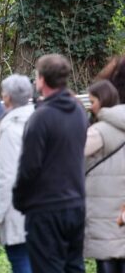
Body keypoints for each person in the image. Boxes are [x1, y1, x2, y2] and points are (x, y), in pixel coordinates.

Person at [13, 54, 86, 272]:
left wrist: (19, 199)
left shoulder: (41, 118)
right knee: (74, 267)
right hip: (75, 203)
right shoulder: (79, 112)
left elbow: (29, 167)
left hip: (46, 209)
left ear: (42, 80)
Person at [0, 74, 34, 273]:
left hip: (17, 209)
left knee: (21, 260)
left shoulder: (11, 129)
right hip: (40, 208)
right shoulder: (37, 119)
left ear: (6, 98)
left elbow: (6, 176)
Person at [83, 79, 125, 271]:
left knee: (107, 264)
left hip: (104, 213)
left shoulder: (98, 132)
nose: (90, 107)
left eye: (92, 102)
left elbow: (74, 156)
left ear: (102, 100)